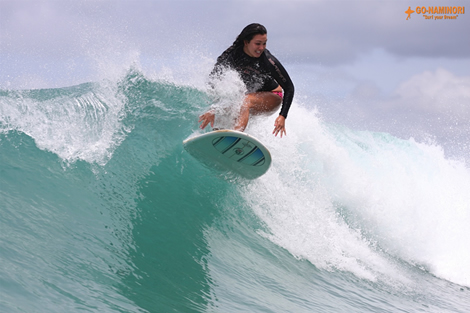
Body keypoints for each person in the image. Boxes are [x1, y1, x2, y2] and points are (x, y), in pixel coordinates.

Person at [198, 23, 294, 138]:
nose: (261, 48)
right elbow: (215, 79)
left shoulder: (268, 61)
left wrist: (282, 116)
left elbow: (289, 88)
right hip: (251, 96)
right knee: (230, 107)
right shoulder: (232, 54)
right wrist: (214, 109)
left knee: (245, 101)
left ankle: (235, 137)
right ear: (246, 42)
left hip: (272, 96)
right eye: (257, 44)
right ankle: (221, 139)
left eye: (264, 43)